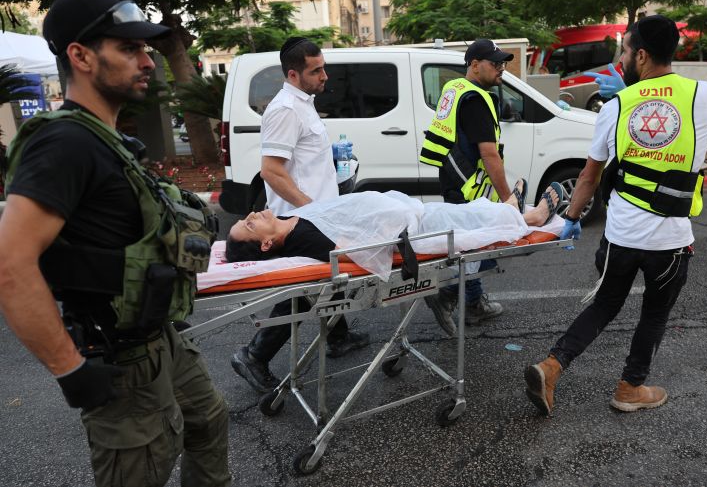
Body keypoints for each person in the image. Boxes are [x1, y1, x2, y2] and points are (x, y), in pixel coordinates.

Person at [0, 0, 230, 487]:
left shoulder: (110, 140)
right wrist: (70, 369)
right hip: (120, 358)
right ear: (80, 56)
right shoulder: (63, 143)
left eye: (146, 49)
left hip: (162, 339)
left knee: (208, 424)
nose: (148, 60)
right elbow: (11, 265)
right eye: (128, 48)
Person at [525, 15, 707, 416]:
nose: (621, 59)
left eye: (625, 51)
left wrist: (572, 217)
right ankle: (630, 388)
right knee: (655, 313)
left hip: (622, 236)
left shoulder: (615, 106)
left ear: (641, 55)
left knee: (605, 304)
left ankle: (552, 366)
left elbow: (589, 176)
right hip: (670, 240)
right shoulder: (704, 94)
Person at [230, 37, 369, 394]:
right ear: (293, 73)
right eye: (316, 70)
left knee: (327, 280)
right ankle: (254, 355)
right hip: (300, 217)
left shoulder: (303, 104)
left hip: (316, 210)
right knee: (305, 291)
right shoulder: (285, 110)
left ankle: (338, 337)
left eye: (323, 67)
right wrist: (314, 208)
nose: (325, 75)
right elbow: (271, 171)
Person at [419, 39, 522, 335]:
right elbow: (488, 153)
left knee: (469, 243)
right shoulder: (475, 99)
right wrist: (508, 200)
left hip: (454, 180)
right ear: (474, 65)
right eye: (495, 63)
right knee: (481, 244)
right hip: (470, 188)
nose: (501, 68)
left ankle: (473, 302)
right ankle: (448, 295)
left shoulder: (454, 89)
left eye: (503, 63)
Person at [224, 185, 564, 264]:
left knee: (460, 211)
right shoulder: (305, 242)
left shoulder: (288, 221)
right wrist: (394, 230)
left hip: (405, 213)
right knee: (462, 220)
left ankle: (509, 209)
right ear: (266, 245)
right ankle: (528, 218)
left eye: (248, 217)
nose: (252, 216)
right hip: (411, 233)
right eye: (251, 226)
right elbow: (356, 251)